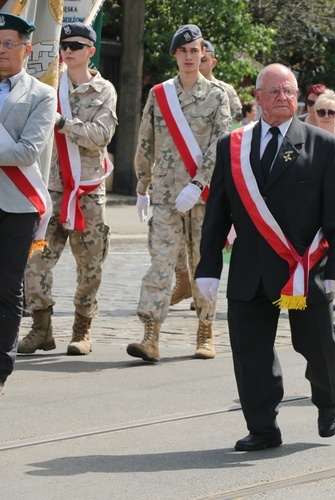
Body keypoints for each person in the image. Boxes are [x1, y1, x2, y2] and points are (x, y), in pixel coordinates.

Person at [195, 63, 335, 451]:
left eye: (289, 91)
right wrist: (208, 266)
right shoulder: (232, 145)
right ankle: (263, 427)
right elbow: (217, 212)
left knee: (318, 345)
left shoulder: (325, 145)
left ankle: (330, 398)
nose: (283, 98)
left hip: (304, 269)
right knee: (251, 354)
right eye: (274, 92)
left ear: (299, 97)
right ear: (257, 98)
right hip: (251, 269)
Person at [128, 24, 231, 363]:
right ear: (175, 55)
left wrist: (199, 183)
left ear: (204, 53)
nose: (189, 56)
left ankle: (205, 330)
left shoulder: (218, 96)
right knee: (160, 264)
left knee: (204, 263)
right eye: (183, 51)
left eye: (195, 50)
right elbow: (145, 140)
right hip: (166, 196)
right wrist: (142, 185)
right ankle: (151, 335)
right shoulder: (160, 95)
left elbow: (222, 146)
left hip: (204, 198)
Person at [20, 22, 118, 356]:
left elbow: (101, 135)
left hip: (87, 192)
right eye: (65, 45)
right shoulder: (49, 85)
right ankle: (41, 327)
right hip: (51, 191)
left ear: (91, 50)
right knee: (35, 261)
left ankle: (82, 328)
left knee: (89, 265)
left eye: (76, 45)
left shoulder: (104, 91)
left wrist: (65, 124)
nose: (68, 51)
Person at [0, 13, 57, 395]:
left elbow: (27, 152)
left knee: (6, 288)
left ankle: (1, 367)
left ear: (26, 49)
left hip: (17, 205)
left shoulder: (41, 93)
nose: (1, 50)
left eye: (8, 43)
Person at [168, 39, 245, 310]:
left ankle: (202, 291)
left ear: (211, 60)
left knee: (206, 242)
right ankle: (185, 279)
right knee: (174, 242)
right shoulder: (171, 91)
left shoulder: (224, 92)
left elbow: (233, 131)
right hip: (178, 176)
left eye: (203, 57)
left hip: (212, 178)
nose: (197, 61)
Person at [199, 40, 243, 123]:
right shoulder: (181, 89)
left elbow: (236, 125)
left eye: (203, 60)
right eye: (197, 60)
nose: (199, 64)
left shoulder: (226, 91)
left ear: (213, 63)